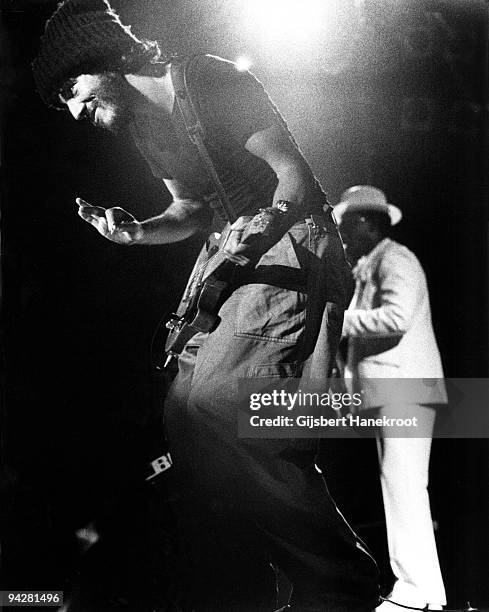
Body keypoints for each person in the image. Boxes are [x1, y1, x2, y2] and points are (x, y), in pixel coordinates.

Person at [32, 2, 380, 610]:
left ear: (107, 61)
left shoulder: (210, 80)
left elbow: (294, 181)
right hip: (232, 249)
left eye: (73, 88)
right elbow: (190, 208)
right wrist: (136, 231)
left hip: (291, 240)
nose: (73, 108)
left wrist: (246, 247)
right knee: (186, 423)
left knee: (224, 404)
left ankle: (344, 584)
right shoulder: (141, 123)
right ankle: (268, 586)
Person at [334, 185, 447, 611]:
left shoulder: (395, 259)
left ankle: (415, 593)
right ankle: (424, 593)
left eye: (346, 225)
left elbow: (397, 318)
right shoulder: (372, 264)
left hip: (406, 390)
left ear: (368, 222)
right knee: (402, 488)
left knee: (404, 488)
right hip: (395, 391)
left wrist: (338, 319)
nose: (342, 233)